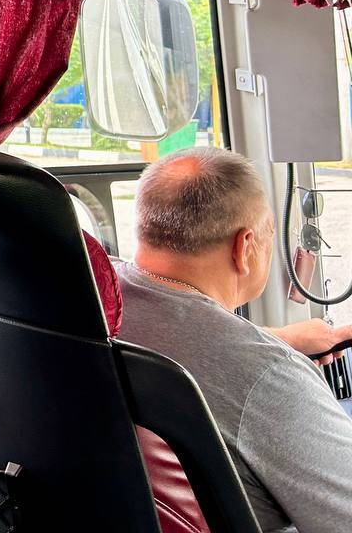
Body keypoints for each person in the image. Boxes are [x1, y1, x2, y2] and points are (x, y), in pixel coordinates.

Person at [115, 147, 352, 533]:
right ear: (245, 247)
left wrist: (276, 338)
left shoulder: (94, 298)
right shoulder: (271, 377)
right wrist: (269, 356)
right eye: (270, 234)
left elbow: (184, 338)